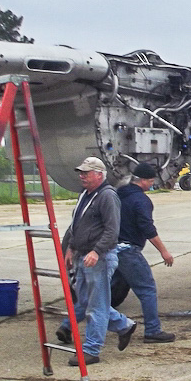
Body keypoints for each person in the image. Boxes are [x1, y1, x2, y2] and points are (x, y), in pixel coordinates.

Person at [57, 156, 137, 365]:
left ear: (99, 175)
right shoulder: (86, 194)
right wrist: (72, 247)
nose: (82, 176)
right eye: (81, 172)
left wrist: (96, 251)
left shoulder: (107, 196)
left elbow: (112, 231)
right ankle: (124, 326)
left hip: (99, 258)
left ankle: (91, 350)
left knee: (96, 307)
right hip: (82, 255)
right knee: (86, 301)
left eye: (86, 172)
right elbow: (78, 223)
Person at [116, 162, 176, 343]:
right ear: (142, 181)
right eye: (150, 181)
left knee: (102, 291)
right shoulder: (141, 200)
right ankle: (152, 330)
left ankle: (67, 325)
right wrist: (164, 251)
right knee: (147, 289)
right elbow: (148, 229)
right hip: (128, 251)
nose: (152, 184)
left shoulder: (118, 194)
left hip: (110, 249)